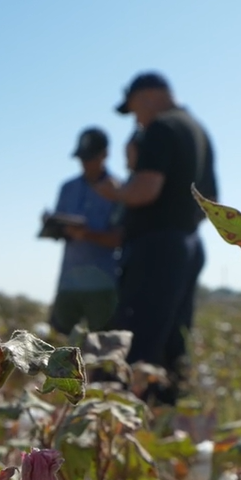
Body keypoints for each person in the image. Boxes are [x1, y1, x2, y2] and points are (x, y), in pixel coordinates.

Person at [93, 72, 218, 404]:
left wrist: (115, 191)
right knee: (172, 336)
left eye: (134, 109)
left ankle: (118, 412)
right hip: (187, 243)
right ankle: (165, 409)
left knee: (135, 337)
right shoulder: (197, 129)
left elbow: (146, 189)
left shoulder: (161, 129)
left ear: (148, 96)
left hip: (157, 247)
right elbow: (212, 199)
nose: (136, 119)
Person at [43, 127, 123, 335]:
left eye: (90, 158)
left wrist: (87, 234)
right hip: (68, 283)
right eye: (82, 158)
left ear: (105, 154)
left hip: (103, 286)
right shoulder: (67, 188)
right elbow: (58, 234)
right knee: (56, 348)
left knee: (104, 356)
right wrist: (52, 226)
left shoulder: (119, 190)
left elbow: (120, 238)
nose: (85, 164)